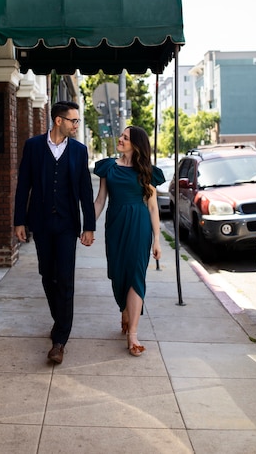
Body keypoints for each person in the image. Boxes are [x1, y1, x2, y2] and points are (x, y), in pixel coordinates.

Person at [14, 100, 95, 365]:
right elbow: (23, 185)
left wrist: (89, 226)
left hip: (67, 224)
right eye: (74, 121)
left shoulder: (79, 151)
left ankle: (60, 340)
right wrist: (19, 221)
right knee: (47, 276)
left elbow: (85, 190)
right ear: (58, 120)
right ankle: (59, 320)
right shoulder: (34, 146)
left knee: (65, 278)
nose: (76, 125)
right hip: (41, 223)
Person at [94, 126, 164, 356]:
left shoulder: (146, 171)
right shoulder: (108, 167)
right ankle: (125, 309)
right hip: (115, 226)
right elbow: (100, 200)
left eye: (126, 138)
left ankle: (133, 334)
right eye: (121, 136)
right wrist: (87, 226)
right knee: (118, 273)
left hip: (139, 225)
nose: (121, 140)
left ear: (136, 144)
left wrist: (157, 240)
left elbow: (153, 208)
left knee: (135, 275)